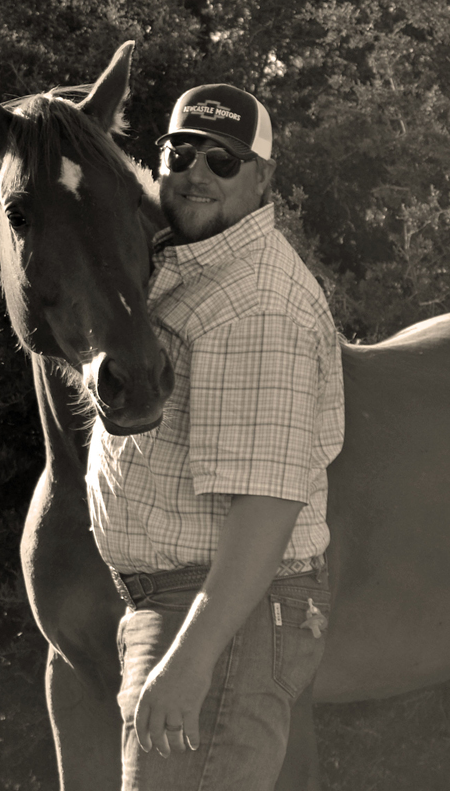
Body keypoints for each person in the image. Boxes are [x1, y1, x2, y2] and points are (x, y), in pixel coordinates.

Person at [86, 84, 345, 790]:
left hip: (225, 618)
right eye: (181, 152)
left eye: (224, 161)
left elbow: (266, 506)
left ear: (262, 179)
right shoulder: (194, 267)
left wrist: (191, 659)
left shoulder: (256, 304)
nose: (197, 172)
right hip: (185, 607)